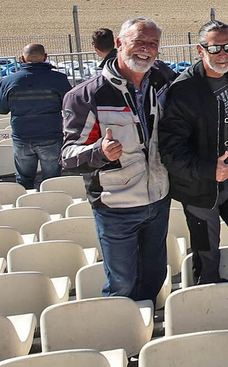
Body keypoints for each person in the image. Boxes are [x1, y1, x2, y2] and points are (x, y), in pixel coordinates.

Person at [61, 17, 173, 301]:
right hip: (116, 206)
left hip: (158, 200)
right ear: (120, 44)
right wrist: (99, 151)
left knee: (155, 277)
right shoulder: (87, 95)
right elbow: (67, 155)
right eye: (139, 42)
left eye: (153, 43)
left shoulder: (162, 81)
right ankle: (121, 336)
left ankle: (144, 332)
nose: (146, 49)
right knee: (121, 284)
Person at [158, 21, 228, 286]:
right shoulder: (183, 91)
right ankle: (210, 311)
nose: (223, 54)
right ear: (200, 50)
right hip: (199, 186)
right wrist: (210, 170)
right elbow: (171, 150)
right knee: (206, 256)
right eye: (215, 48)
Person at [0, 43, 73, 190]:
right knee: (52, 180)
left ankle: (25, 206)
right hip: (50, 137)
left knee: (23, 179)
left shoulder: (8, 81)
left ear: (22, 59)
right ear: (45, 57)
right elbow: (70, 105)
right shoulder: (58, 79)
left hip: (22, 137)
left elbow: (0, 109)